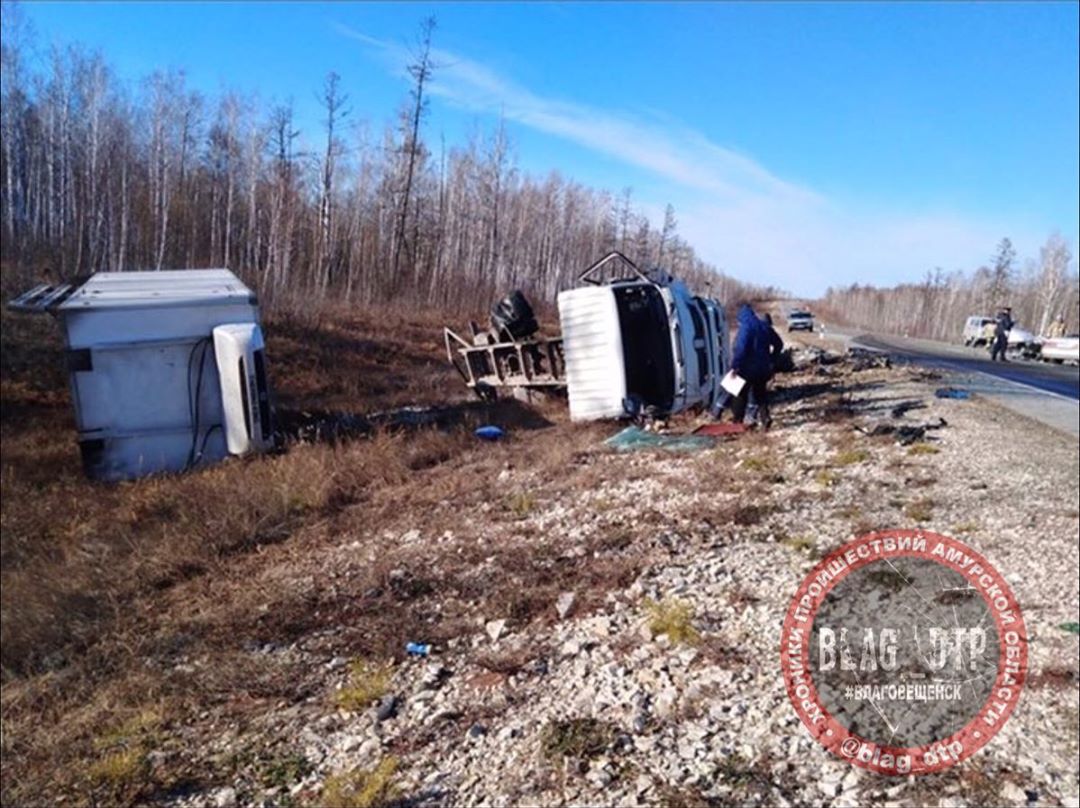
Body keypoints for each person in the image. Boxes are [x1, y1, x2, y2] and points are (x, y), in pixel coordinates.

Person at [722, 303, 774, 429]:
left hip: (747, 369)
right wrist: (772, 359)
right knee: (760, 394)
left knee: (739, 394)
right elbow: (779, 344)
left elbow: (741, 349)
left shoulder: (746, 327)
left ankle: (737, 421)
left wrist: (735, 366)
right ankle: (765, 418)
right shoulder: (763, 326)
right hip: (763, 369)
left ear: (741, 317)